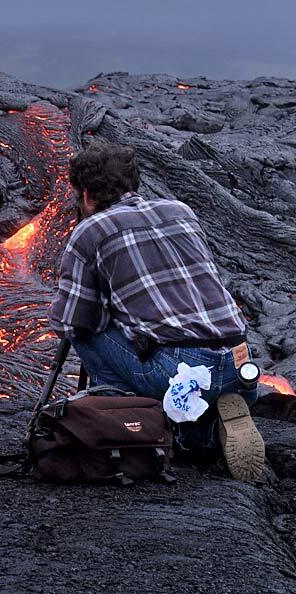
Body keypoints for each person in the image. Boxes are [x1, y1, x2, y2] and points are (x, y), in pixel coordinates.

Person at [48, 141, 265, 481]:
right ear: (132, 183)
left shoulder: (90, 231)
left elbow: (68, 321)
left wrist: (105, 311)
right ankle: (204, 430)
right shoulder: (181, 211)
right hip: (238, 360)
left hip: (177, 373)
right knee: (158, 343)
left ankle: (131, 420)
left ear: (87, 194)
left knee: (86, 332)